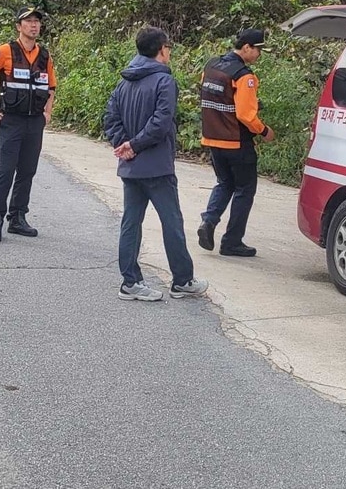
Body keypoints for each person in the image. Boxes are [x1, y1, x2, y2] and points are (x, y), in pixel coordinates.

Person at [102, 27, 209, 302]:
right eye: (169, 47)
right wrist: (135, 145)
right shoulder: (165, 82)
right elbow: (161, 124)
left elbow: (110, 118)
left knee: (131, 223)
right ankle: (182, 280)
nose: (170, 51)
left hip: (131, 167)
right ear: (161, 50)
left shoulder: (123, 83)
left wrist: (124, 145)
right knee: (171, 223)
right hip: (157, 167)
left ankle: (130, 282)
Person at [0, 6, 56, 243]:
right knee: (6, 170)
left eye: (37, 22)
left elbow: (51, 87)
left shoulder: (44, 55)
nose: (34, 25)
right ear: (19, 27)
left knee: (27, 170)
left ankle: (18, 217)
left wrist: (47, 113)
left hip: (34, 122)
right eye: (28, 21)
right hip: (11, 121)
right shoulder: (5, 52)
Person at [197, 28, 275, 257]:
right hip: (237, 142)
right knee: (245, 189)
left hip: (212, 138)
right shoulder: (244, 76)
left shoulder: (211, 66)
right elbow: (245, 115)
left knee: (224, 183)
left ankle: (208, 222)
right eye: (258, 50)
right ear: (247, 47)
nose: (259, 55)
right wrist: (264, 131)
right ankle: (232, 241)